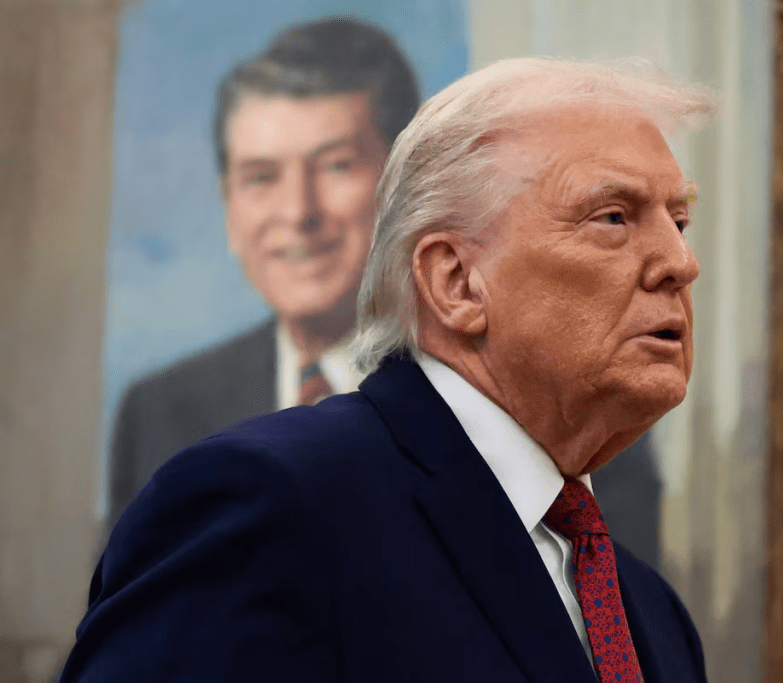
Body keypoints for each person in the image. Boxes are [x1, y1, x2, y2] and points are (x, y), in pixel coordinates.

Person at [64, 57, 712, 682]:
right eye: (613, 217)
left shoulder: (650, 613)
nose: (679, 262)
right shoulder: (269, 504)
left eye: (678, 220)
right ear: (456, 282)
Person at [107, 17, 666, 568]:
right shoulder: (158, 410)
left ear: (411, 192)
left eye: (336, 166)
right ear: (229, 208)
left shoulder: (568, 405)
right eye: (261, 177)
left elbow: (609, 644)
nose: (298, 212)